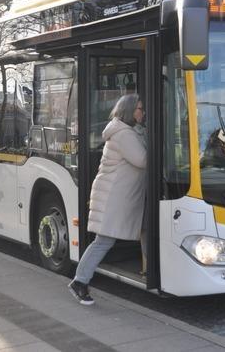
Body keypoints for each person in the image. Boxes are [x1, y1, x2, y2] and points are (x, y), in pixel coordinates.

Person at [68, 94, 146, 305]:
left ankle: (148, 269)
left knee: (115, 238)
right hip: (113, 197)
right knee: (103, 241)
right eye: (139, 109)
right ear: (129, 111)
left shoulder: (127, 131)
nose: (143, 112)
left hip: (116, 195)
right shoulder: (124, 134)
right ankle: (79, 282)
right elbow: (142, 160)